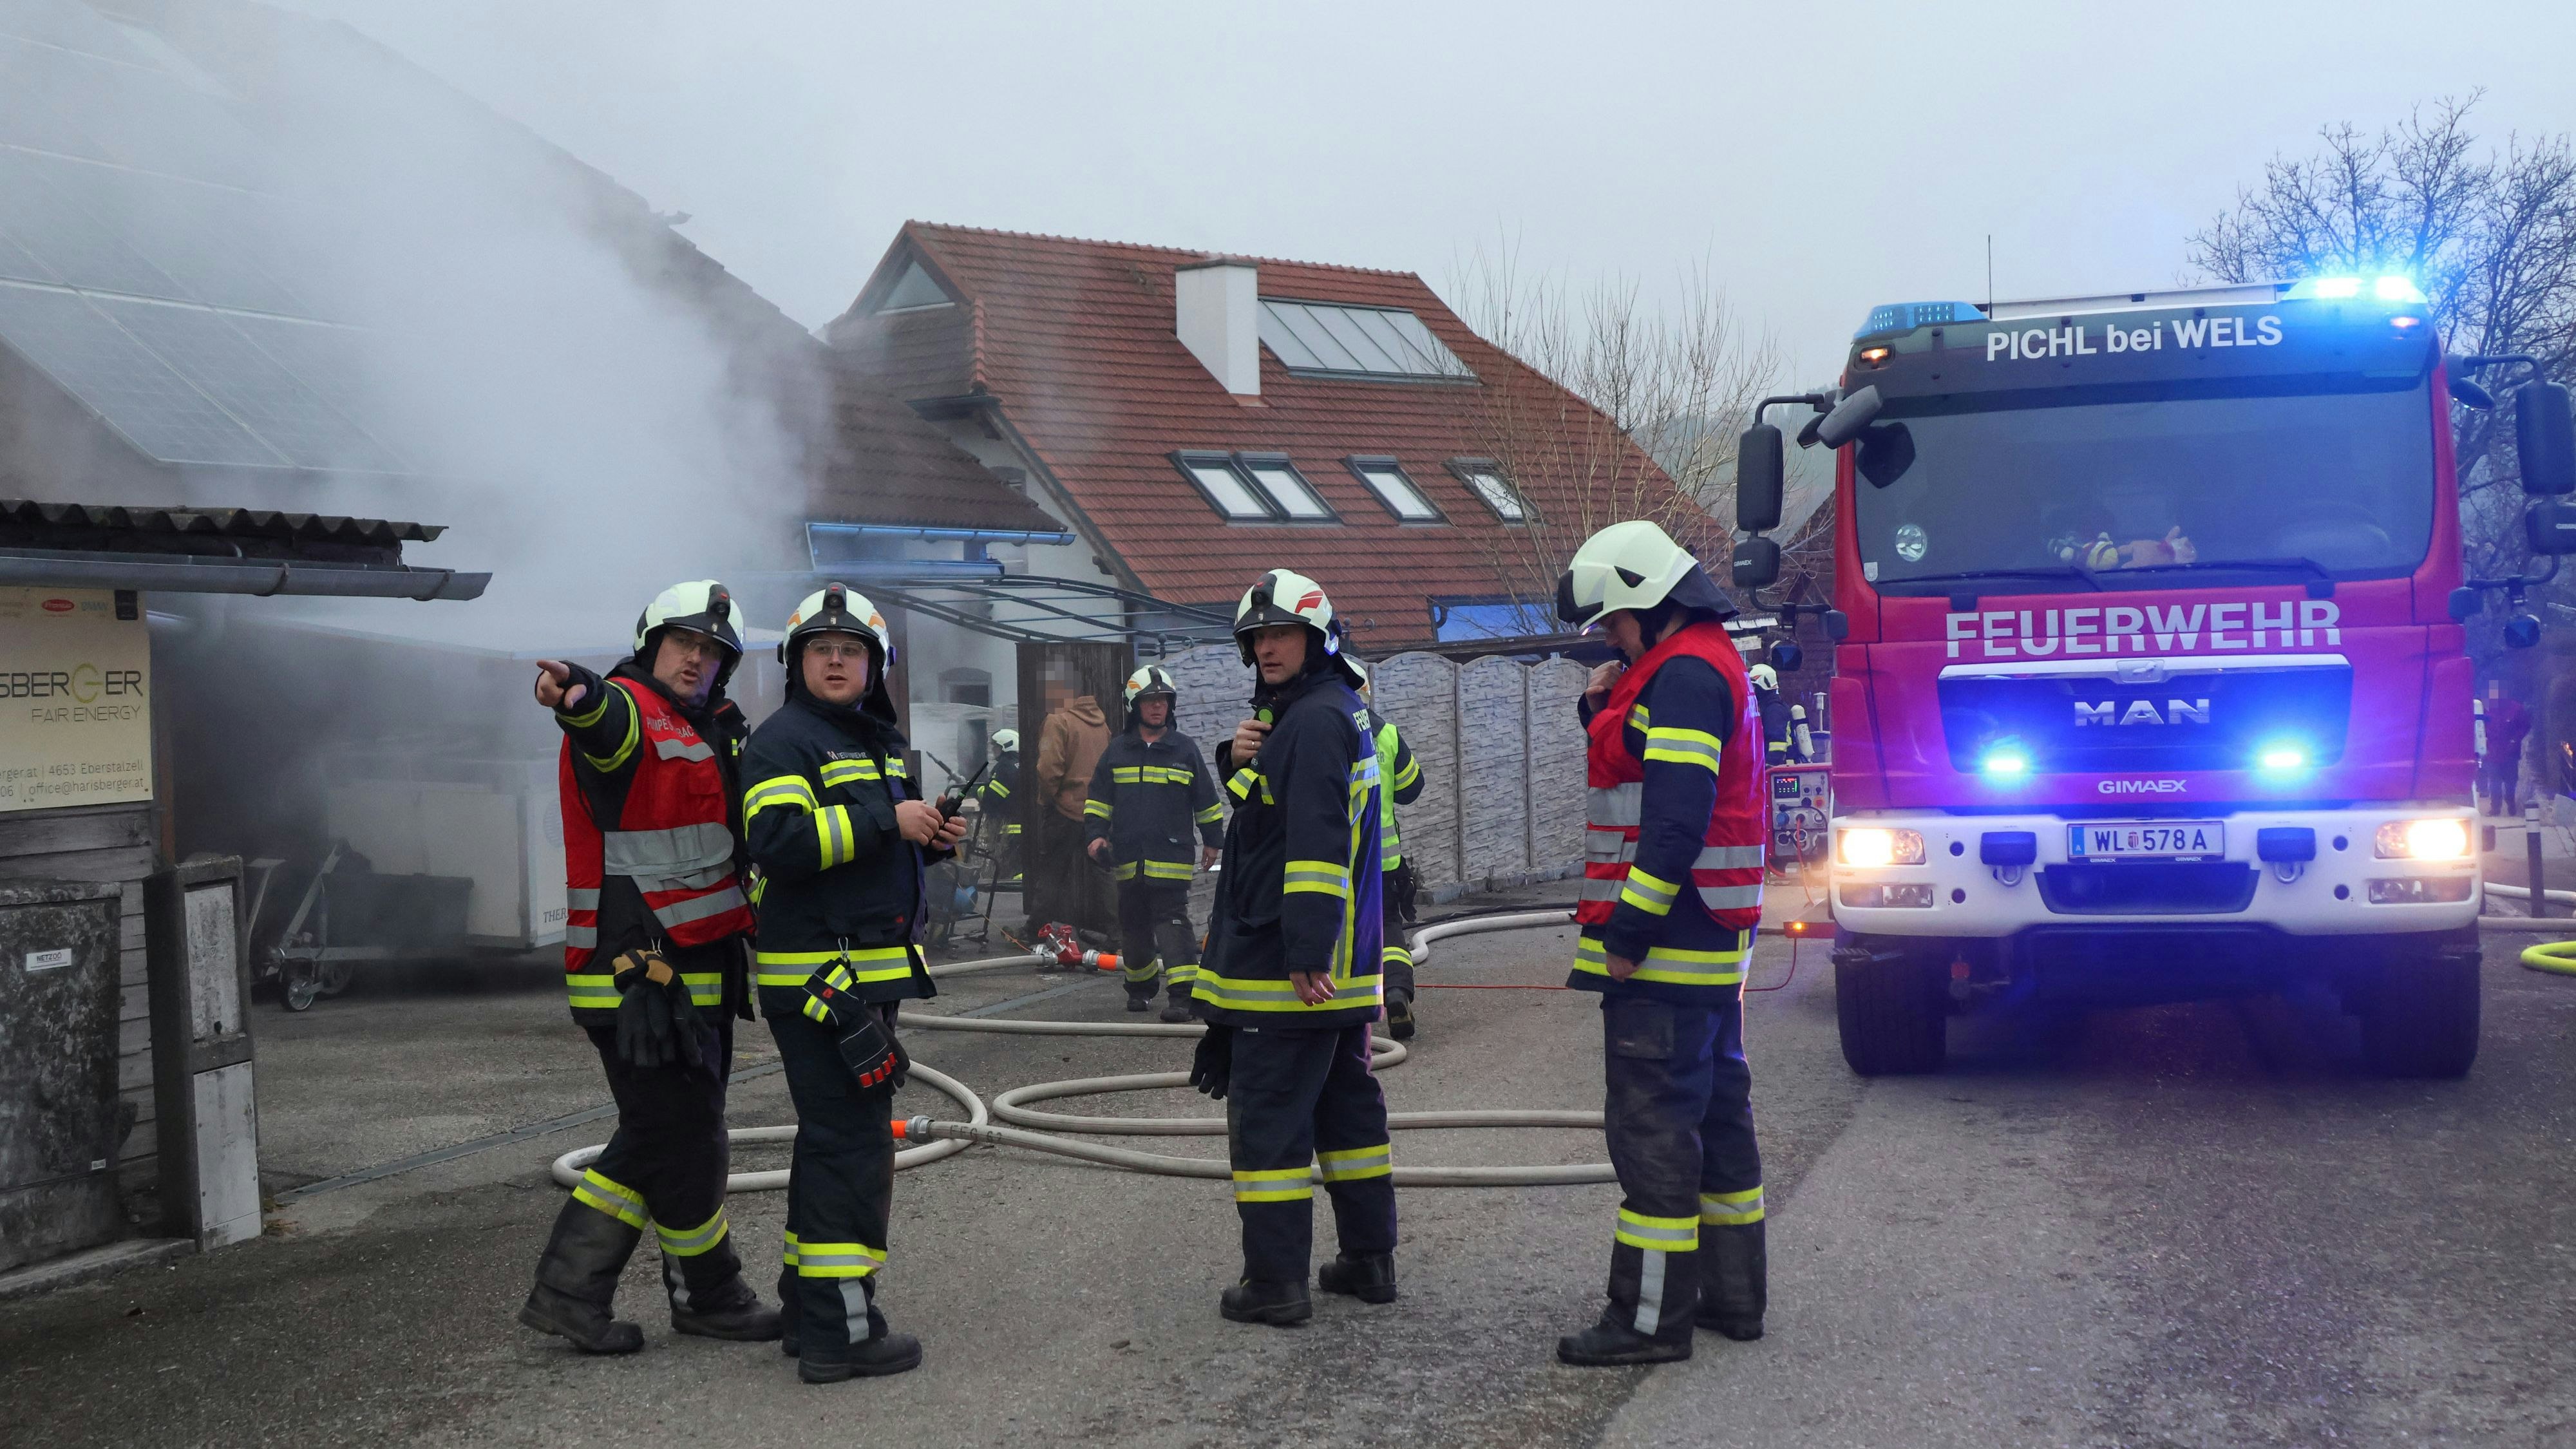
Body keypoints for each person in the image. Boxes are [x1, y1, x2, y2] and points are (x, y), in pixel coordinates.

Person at [519, 581, 779, 1355]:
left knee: (686, 1136)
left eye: (711, 652)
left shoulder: (707, 728)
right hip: (635, 980)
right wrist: (573, 689)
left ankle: (701, 1295)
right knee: (667, 1131)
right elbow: (599, 714)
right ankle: (597, 1293)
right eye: (684, 644)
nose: (697, 659)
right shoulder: (633, 710)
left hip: (695, 975)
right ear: (649, 644)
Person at [1552, 520, 1770, 1366]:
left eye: (1613, 620)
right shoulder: (1700, 665)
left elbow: (1674, 819)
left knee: (1652, 1134)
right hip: (1712, 945)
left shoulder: (1680, 677)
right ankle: (1734, 1298)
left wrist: (1629, 932)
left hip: (1668, 948)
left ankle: (1647, 1320)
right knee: (1718, 1120)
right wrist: (1601, 702)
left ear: (1649, 600)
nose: (1609, 635)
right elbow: (1639, 760)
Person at [739, 584, 968, 1384]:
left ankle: (809, 1310)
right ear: (797, 663)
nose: (837, 660)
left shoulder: (870, 742)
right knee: (852, 1147)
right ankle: (844, 1332)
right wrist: (886, 822)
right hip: (821, 983)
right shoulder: (783, 742)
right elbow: (777, 842)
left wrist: (926, 842)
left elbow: (859, 856)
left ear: (874, 667)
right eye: (821, 649)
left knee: (831, 1141)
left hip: (856, 978)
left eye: (852, 651)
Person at [1187, 569, 1396, 1327]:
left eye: (1281, 634)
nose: (1267, 647)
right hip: (1340, 967)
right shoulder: (1324, 713)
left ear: (1318, 638)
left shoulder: (1310, 723)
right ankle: (1369, 1260)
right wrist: (1237, 762)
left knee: (1271, 1121)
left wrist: (1305, 949)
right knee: (1347, 1116)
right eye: (1257, 637)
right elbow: (1265, 817)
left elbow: (1312, 845)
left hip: (1290, 969)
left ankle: (1274, 1283)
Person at [1084, 665, 1224, 1021]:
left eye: (1163, 700)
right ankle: (1141, 990)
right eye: (1150, 701)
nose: (1158, 707)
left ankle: (1183, 997)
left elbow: (1206, 801)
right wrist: (1096, 836)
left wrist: (1213, 842)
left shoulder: (1185, 750)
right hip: (1127, 857)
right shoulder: (1117, 752)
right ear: (1136, 706)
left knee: (1172, 923)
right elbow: (1099, 800)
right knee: (1133, 925)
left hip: (1171, 855)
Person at [1348, 659, 1426, 1039]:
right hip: (1383, 859)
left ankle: (1344, 1008)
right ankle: (1395, 991)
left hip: (1333, 862)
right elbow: (1412, 789)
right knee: (1388, 927)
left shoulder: (1319, 730)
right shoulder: (1388, 734)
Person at [975, 727, 1023, 876]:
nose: (994, 750)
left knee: (1009, 869)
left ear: (1006, 746)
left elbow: (992, 798)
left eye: (996, 747)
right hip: (1023, 827)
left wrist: (979, 791)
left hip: (1008, 829)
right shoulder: (1021, 764)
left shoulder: (1004, 767)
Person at [2484, 681, 2531, 817]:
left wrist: (2515, 740)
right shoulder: (2488, 708)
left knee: (2511, 781)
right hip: (2492, 752)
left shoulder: (2516, 708)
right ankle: (2495, 808)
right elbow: (2482, 726)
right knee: (2494, 781)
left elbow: (2525, 726)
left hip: (2510, 752)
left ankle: (2511, 804)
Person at [1747, 661, 1789, 766]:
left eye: (1753, 687)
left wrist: (1767, 768)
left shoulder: (1774, 710)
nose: (1750, 691)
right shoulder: (1765, 707)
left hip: (1775, 769)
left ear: (1764, 687)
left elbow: (1777, 746)